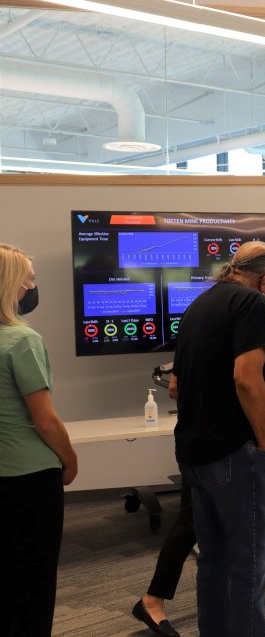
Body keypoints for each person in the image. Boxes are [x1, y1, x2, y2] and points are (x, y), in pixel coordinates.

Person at [133, 308, 265, 637]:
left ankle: (242, 595)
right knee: (193, 525)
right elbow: (248, 400)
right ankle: (152, 601)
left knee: (212, 532)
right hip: (225, 453)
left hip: (203, 446)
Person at [169, 241, 265, 637]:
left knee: (213, 560)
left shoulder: (199, 305)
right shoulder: (251, 304)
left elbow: (174, 386)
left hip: (196, 451)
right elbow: (246, 379)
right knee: (250, 562)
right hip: (237, 453)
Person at [0, 243, 79, 637]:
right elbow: (45, 421)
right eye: (30, 277)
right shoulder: (22, 340)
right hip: (29, 479)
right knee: (33, 580)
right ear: (11, 283)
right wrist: (71, 459)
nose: (34, 285)